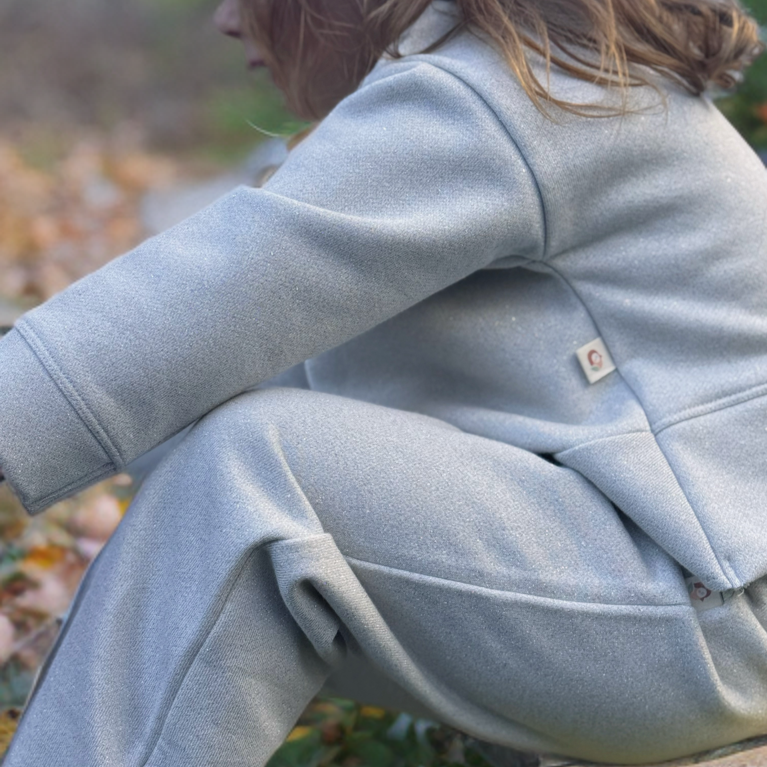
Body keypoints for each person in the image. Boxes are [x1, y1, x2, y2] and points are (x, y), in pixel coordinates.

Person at [0, 0, 766, 764]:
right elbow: (194, 366)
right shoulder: (525, 78)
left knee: (253, 474)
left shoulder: (499, 96)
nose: (227, 19)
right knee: (205, 458)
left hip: (721, 613)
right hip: (701, 597)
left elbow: (194, 305)